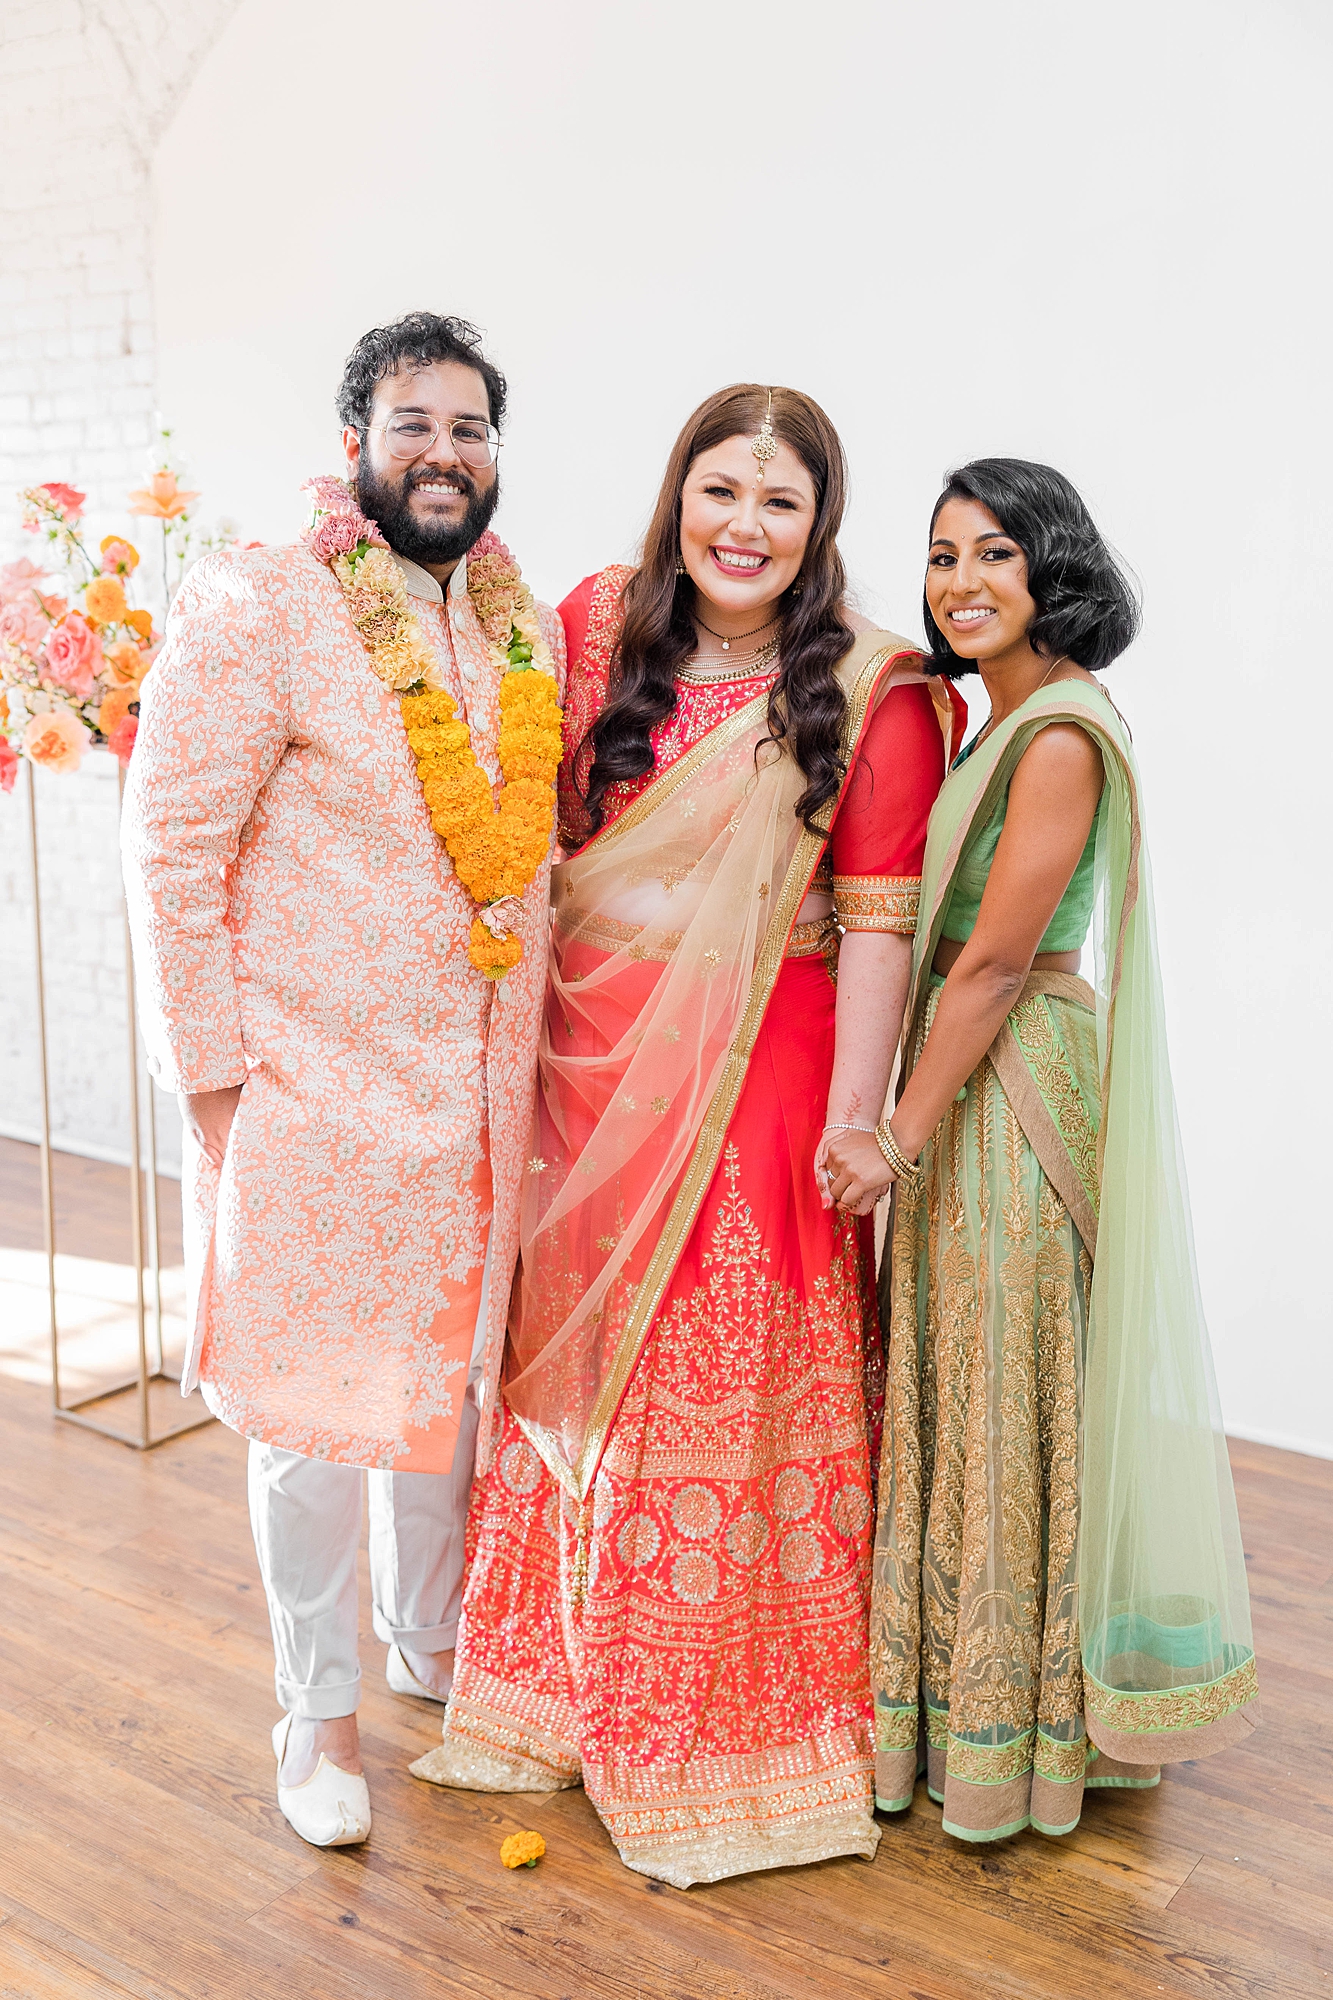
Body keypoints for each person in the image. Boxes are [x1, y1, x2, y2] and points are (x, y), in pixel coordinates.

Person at [411, 384, 965, 1887]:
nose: (744, 526)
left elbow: (875, 931)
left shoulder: (874, 689)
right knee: (581, 1371)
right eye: (720, 491)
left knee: (718, 1367)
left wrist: (858, 1123)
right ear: (677, 497)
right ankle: (550, 1691)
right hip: (583, 1069)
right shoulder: (595, 629)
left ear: (818, 527)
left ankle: (724, 1723)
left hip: (762, 1083)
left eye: (779, 503)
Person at [121, 312, 565, 1848]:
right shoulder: (259, 602)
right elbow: (168, 849)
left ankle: (428, 1644)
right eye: (412, 423)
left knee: (444, 1397)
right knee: (311, 1425)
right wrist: (217, 1087)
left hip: (475, 1103)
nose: (443, 451)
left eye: (470, 428)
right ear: (354, 448)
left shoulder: (521, 627)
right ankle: (314, 1713)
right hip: (306, 1091)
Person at [823, 458, 1258, 1844]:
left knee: (1005, 1381)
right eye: (940, 554)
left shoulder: (1055, 732)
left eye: (993, 552)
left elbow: (998, 957)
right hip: (973, 1071)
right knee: (969, 1374)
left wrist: (893, 1134)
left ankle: (1020, 1740)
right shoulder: (993, 718)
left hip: (1003, 1084)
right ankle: (961, 1715)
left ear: (1050, 566)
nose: (959, 580)